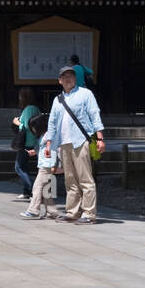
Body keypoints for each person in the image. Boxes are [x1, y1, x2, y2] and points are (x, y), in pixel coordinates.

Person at [47, 64, 105, 224]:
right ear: (60, 81)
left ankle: (89, 213)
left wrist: (100, 137)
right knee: (70, 180)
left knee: (85, 179)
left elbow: (94, 114)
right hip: (64, 143)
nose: (68, 79)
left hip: (80, 141)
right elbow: (52, 122)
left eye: (71, 76)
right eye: (64, 76)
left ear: (75, 78)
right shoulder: (57, 100)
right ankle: (72, 211)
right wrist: (49, 143)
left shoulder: (86, 94)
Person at [19, 114, 59, 220]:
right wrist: (35, 151)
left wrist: (54, 165)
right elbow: (43, 149)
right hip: (45, 164)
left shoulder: (49, 135)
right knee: (46, 190)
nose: (33, 129)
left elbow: (53, 149)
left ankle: (33, 210)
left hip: (47, 165)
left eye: (34, 126)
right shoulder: (45, 134)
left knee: (37, 187)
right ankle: (52, 212)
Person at [13, 87, 39, 199]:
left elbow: (28, 126)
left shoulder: (28, 109)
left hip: (26, 141)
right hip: (33, 140)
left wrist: (17, 122)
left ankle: (33, 189)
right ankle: (26, 191)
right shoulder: (36, 108)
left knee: (19, 167)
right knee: (24, 166)